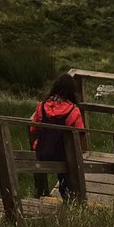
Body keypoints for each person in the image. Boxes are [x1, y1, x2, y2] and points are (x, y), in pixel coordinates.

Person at [29, 73, 85, 201]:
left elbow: (33, 128)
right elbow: (80, 134)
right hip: (64, 155)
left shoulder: (42, 106)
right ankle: (68, 197)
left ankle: (41, 193)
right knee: (68, 171)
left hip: (43, 152)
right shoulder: (73, 111)